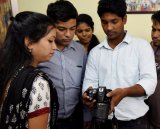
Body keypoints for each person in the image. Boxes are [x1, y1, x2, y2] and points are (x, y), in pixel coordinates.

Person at [82, 0, 157, 129]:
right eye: (104, 22)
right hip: (103, 120)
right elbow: (90, 82)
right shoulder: (95, 53)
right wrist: (88, 95)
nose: (109, 27)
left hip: (134, 121)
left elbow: (150, 82)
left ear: (124, 19)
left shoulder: (141, 47)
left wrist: (125, 92)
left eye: (114, 21)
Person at [0, 11, 58, 129]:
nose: (54, 47)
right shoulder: (38, 83)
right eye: (50, 41)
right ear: (29, 43)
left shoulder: (10, 72)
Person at [38, 1, 87, 129]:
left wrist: (86, 116)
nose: (68, 34)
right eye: (62, 29)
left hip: (74, 118)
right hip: (46, 120)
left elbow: (84, 84)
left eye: (72, 28)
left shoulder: (80, 51)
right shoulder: (40, 50)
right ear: (50, 26)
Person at [75, 13, 100, 129]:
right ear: (75, 31)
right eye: (80, 31)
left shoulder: (99, 50)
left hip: (92, 98)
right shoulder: (72, 50)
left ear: (93, 29)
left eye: (87, 30)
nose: (84, 34)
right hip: (75, 98)